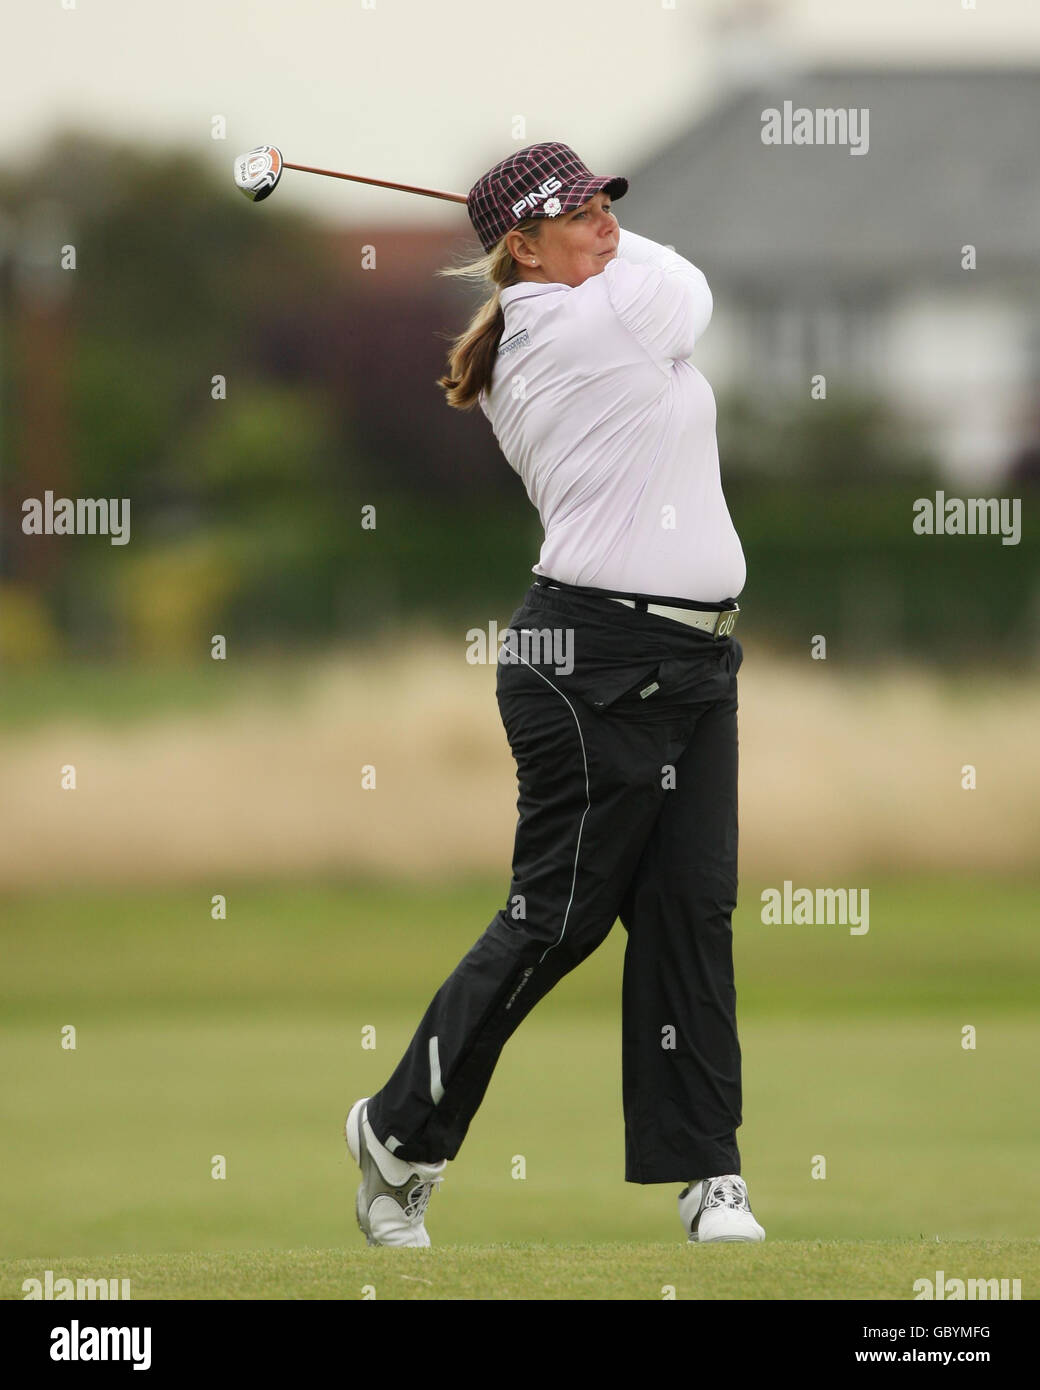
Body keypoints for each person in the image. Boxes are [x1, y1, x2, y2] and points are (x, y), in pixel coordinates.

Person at [345, 141, 764, 1247]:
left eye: (601, 201)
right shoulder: (576, 322)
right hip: (591, 661)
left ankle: (706, 1172)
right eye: (570, 213)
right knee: (556, 920)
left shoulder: (579, 302)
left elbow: (644, 272)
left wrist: (563, 231)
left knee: (690, 910)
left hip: (692, 663)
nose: (603, 222)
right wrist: (574, 248)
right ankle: (396, 1136)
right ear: (518, 248)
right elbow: (691, 284)